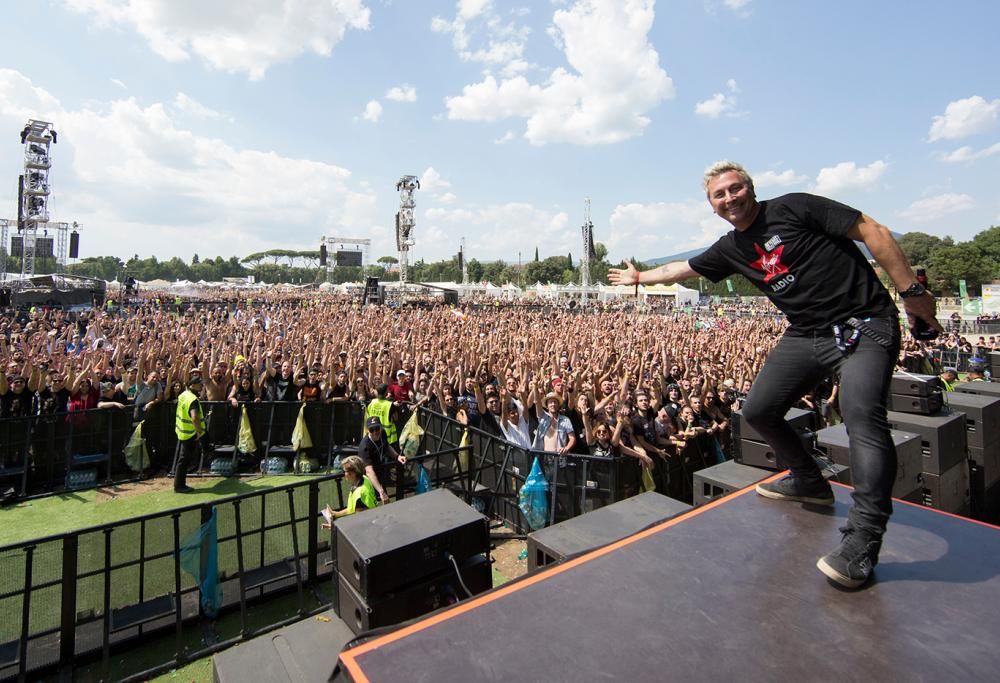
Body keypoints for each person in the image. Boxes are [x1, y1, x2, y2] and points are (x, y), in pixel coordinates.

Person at [610, 160, 942, 589]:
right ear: (712, 206)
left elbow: (873, 231)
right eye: (719, 195)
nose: (730, 198)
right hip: (806, 335)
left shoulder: (795, 208)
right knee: (759, 410)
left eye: (735, 188)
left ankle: (863, 539)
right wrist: (640, 276)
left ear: (750, 188)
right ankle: (808, 480)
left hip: (863, 325)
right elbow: (682, 269)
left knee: (863, 419)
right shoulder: (731, 248)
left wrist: (912, 294)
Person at [357, 416, 407, 505]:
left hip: (380, 471)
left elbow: (386, 446)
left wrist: (397, 456)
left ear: (380, 427)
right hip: (369, 480)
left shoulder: (382, 433)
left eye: (377, 428)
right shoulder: (364, 447)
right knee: (373, 504)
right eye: (372, 430)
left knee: (385, 501)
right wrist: (381, 491)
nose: (375, 432)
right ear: (368, 430)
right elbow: (369, 471)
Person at [321, 455, 377, 526]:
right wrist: (335, 514)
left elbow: (360, 521)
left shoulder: (359, 495)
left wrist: (336, 527)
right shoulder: (363, 479)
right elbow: (351, 509)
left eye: (345, 471)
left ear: (353, 473)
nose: (344, 474)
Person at [173, 376, 205, 493]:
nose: (201, 385)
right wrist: (199, 431)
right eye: (199, 383)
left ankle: (179, 484)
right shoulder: (192, 399)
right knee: (184, 460)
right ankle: (179, 486)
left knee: (183, 459)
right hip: (190, 434)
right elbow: (195, 417)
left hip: (181, 431)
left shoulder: (183, 395)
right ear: (191, 385)